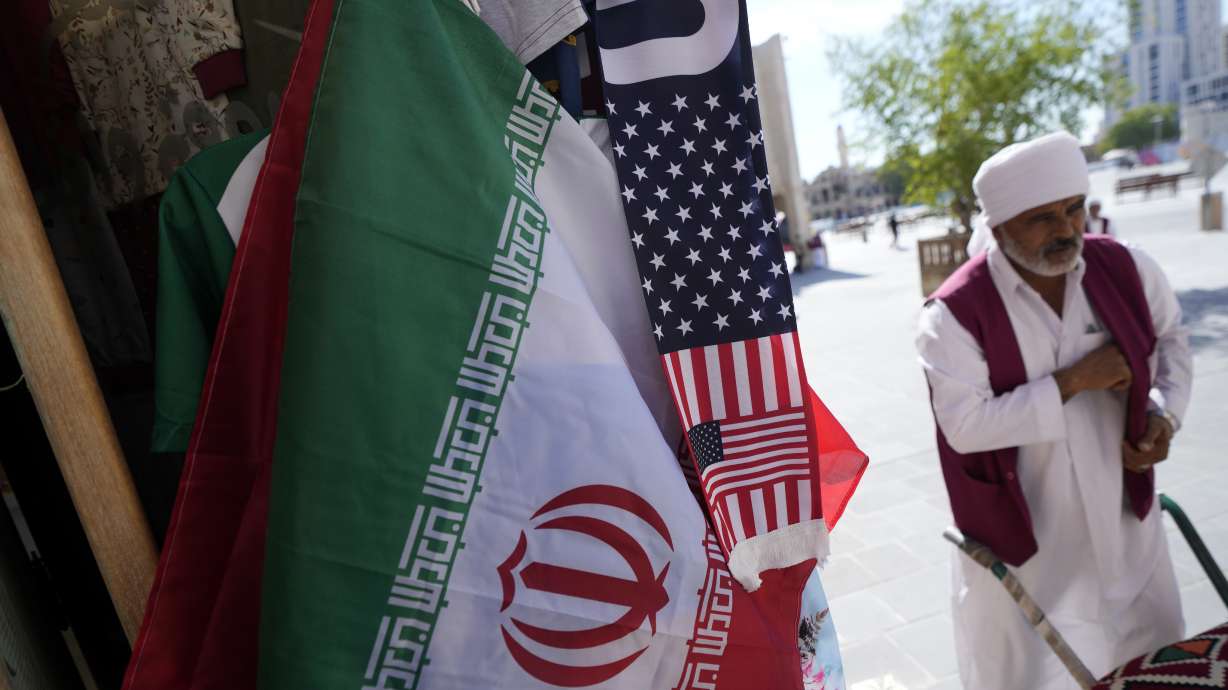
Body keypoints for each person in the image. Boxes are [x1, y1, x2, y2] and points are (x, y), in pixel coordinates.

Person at [916, 132, 1192, 689]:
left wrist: (1163, 414)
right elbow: (966, 427)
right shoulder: (952, 316)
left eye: (1073, 210)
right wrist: (1072, 382)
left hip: (1126, 526)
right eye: (1041, 218)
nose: (1066, 230)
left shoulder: (1127, 268)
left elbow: (1171, 343)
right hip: (1030, 541)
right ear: (997, 228)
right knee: (1037, 673)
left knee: (1154, 658)